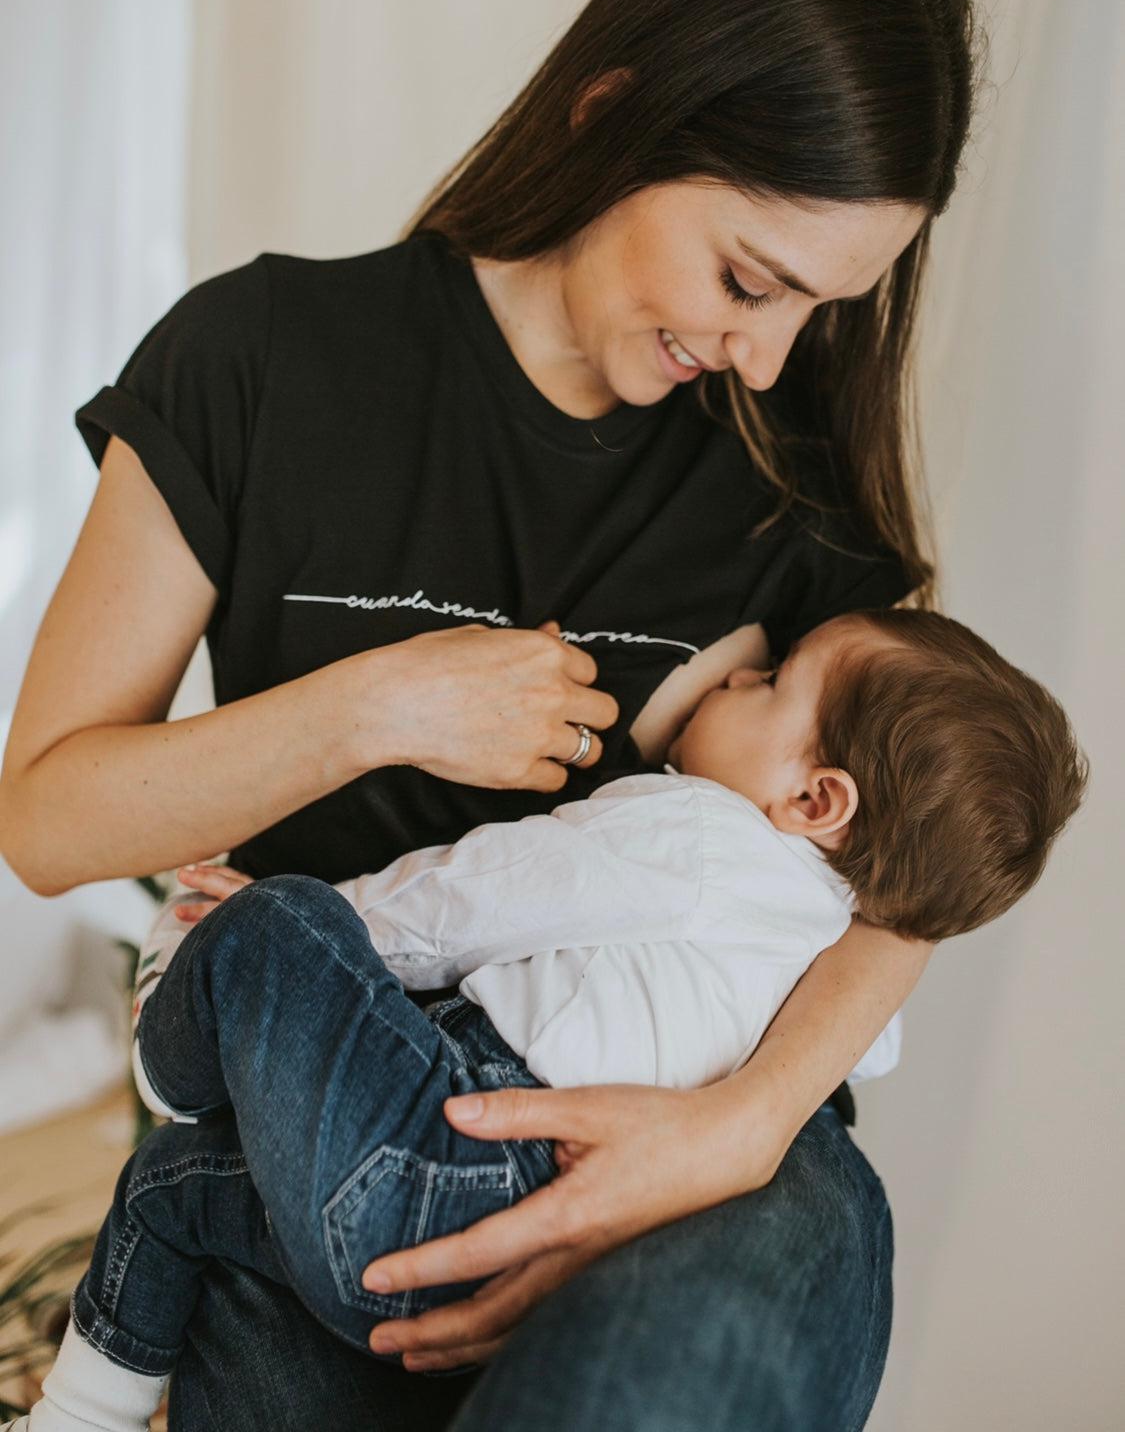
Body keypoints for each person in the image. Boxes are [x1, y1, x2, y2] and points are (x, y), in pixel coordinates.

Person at [0, 0, 989, 1429]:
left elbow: (915, 864)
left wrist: (739, 1129)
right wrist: (379, 703)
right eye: (746, 281)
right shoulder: (262, 358)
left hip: (697, 1173)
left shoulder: (791, 484)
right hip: (325, 1142)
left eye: (821, 309)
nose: (771, 358)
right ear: (615, 114)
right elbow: (50, 818)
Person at [9, 608, 1087, 1432]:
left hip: (435, 1157)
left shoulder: (699, 831)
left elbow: (475, 895)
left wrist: (315, 937)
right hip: (499, 1253)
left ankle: (169, 1032)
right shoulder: (823, 944)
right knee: (178, 1185)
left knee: (280, 916)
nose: (741, 675)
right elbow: (867, 1043)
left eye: (769, 683)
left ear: (817, 799)